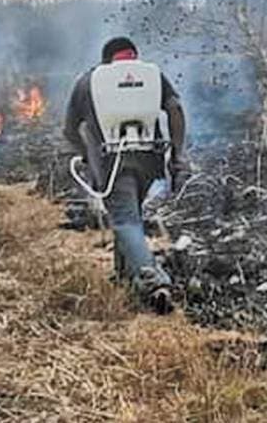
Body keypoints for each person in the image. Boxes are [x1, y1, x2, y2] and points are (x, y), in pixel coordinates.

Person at [64, 37, 189, 313]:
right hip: (149, 159)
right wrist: (178, 156)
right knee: (130, 216)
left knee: (124, 219)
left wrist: (87, 155)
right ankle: (124, 277)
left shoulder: (88, 82)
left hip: (110, 162)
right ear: (133, 56)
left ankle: (154, 281)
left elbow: (69, 130)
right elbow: (175, 109)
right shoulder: (153, 75)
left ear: (106, 59)